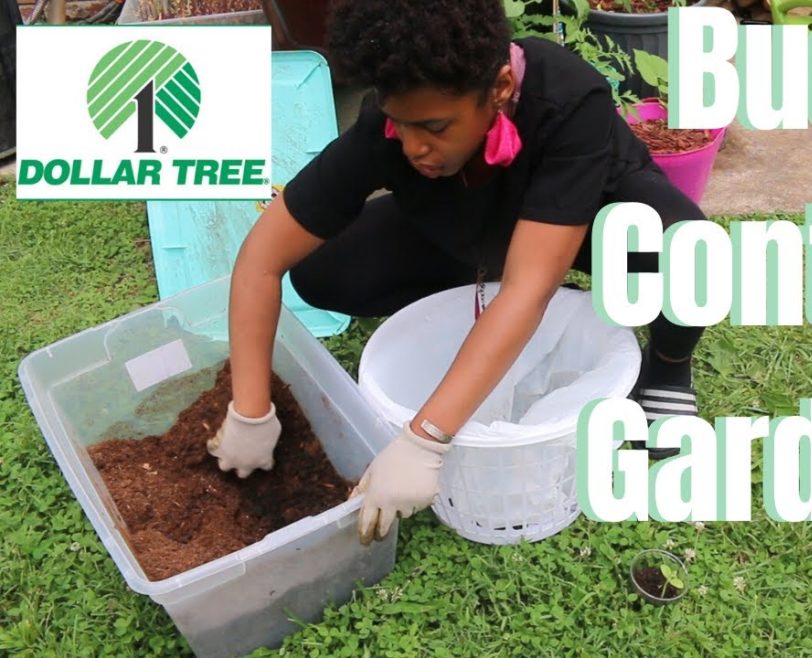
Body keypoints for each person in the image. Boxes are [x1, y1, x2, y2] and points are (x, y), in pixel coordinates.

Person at [205, 0, 710, 546]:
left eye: (434, 127)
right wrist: (250, 411)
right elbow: (261, 261)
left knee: (683, 247)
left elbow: (527, 289)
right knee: (324, 271)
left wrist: (423, 439)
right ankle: (481, 304)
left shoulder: (568, 99)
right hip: (469, 228)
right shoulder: (388, 131)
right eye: (400, 123)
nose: (414, 146)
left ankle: (668, 370)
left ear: (499, 89)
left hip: (586, 223)